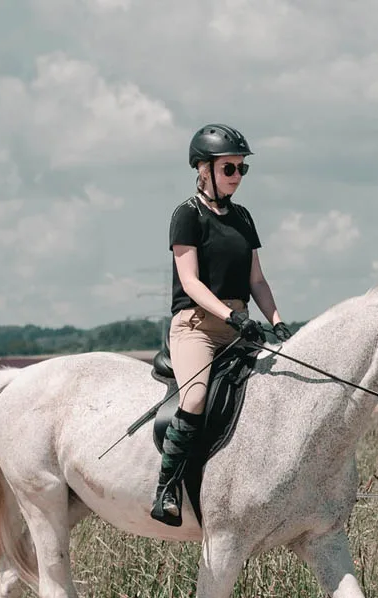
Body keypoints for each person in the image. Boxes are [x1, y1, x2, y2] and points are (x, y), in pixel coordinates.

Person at [151, 123, 292, 524]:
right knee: (194, 399)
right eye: (230, 168)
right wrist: (230, 315)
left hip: (240, 327)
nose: (237, 177)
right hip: (197, 328)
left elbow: (257, 280)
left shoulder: (243, 217)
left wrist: (278, 322)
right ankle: (167, 489)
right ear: (203, 169)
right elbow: (191, 281)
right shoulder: (187, 215)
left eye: (241, 169)